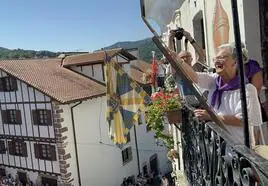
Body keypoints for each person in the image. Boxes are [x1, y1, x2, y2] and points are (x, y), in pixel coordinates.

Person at [169, 37, 262, 147]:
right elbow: (194, 76)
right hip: (218, 149)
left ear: (236, 62)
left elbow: (243, 120)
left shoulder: (247, 89)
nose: (217, 61)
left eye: (223, 57)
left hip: (239, 150)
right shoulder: (215, 81)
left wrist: (211, 116)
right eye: (216, 58)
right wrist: (177, 59)